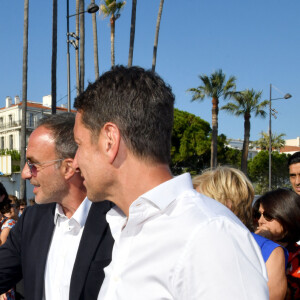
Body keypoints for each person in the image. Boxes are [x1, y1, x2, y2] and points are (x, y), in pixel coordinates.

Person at [73, 65, 269, 299]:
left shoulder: (209, 236)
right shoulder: (127, 227)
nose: (75, 162)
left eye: (79, 144)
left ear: (109, 140)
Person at [0, 113, 113, 300]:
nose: (26, 174)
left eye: (33, 164)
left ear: (68, 168)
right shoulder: (32, 220)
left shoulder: (117, 220)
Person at [193, 166, 288, 300]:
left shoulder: (266, 251)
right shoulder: (190, 241)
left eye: (201, 200)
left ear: (227, 205)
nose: (193, 206)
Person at [253, 188, 300, 300]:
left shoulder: (297, 257)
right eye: (258, 215)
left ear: (286, 216)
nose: (261, 221)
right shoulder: (252, 242)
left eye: (268, 216)